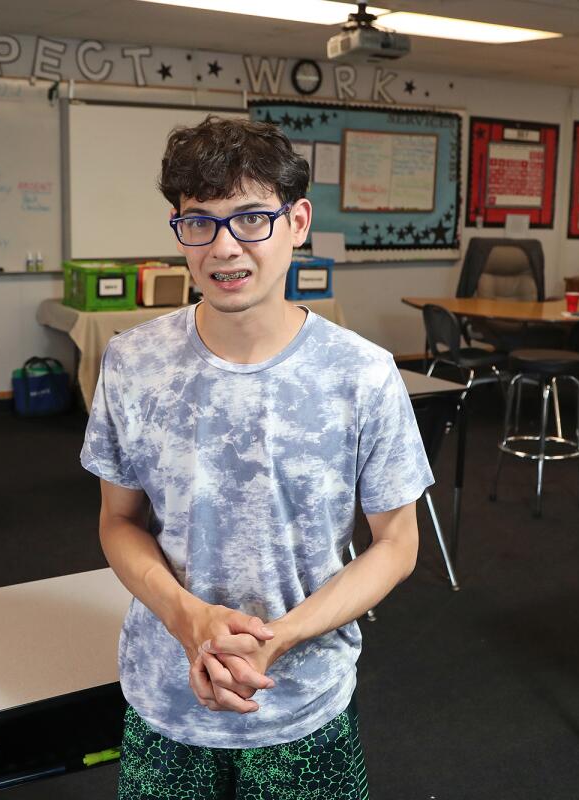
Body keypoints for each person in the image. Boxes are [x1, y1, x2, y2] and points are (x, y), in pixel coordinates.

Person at [80, 115, 433, 799]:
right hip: (167, 698)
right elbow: (117, 521)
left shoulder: (362, 374)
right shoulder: (132, 363)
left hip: (303, 702)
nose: (224, 248)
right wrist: (189, 621)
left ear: (297, 221)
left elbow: (398, 542)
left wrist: (280, 637)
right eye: (199, 222)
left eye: (250, 219)